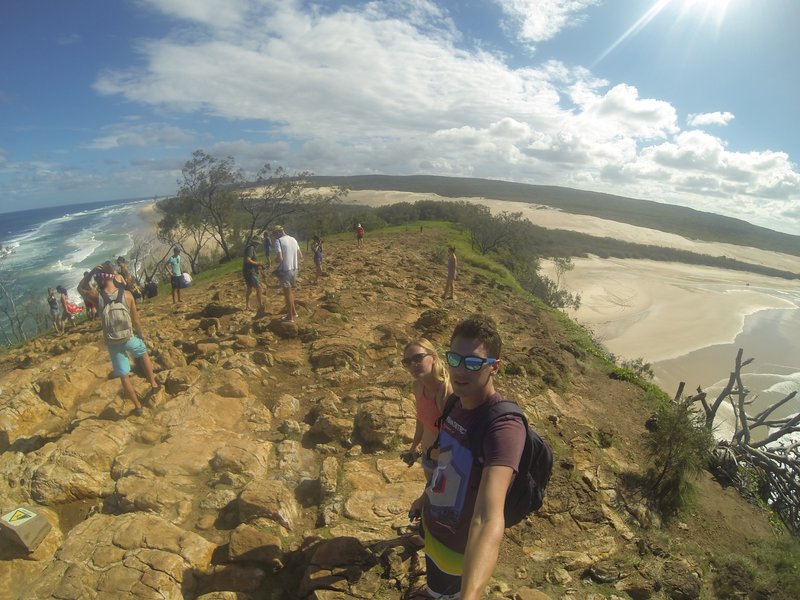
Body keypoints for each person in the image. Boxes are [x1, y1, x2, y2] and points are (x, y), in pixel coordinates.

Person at [408, 314, 526, 600]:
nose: (461, 370)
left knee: (446, 590)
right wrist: (426, 497)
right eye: (455, 359)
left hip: (459, 548)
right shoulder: (453, 403)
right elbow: (445, 463)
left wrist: (470, 596)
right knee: (435, 585)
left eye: (473, 363)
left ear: (494, 368)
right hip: (435, 525)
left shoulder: (503, 427)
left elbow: (487, 518)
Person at [78, 264, 161, 416]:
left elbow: (80, 288)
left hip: (113, 342)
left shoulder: (98, 297)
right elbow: (136, 320)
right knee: (142, 353)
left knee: (124, 375)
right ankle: (154, 384)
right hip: (128, 337)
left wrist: (91, 272)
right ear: (113, 276)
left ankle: (137, 407)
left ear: (99, 279)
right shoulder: (127, 295)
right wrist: (140, 335)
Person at [401, 339, 451, 480]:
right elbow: (421, 420)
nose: (413, 364)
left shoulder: (446, 391)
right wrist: (414, 447)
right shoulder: (418, 386)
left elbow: (456, 435)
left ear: (433, 358)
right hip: (428, 457)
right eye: (407, 362)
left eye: (418, 358)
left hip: (447, 462)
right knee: (431, 497)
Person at [273, 225, 302, 322]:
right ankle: (294, 312)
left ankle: (289, 317)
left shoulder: (278, 241)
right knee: (290, 292)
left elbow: (279, 258)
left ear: (278, 232)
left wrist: (275, 261)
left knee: (286, 294)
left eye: (274, 234)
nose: (274, 236)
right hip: (294, 269)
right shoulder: (293, 239)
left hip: (285, 270)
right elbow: (300, 255)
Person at [243, 236, 264, 312]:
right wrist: (258, 263)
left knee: (249, 289)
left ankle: (247, 305)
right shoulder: (251, 248)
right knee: (259, 288)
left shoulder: (251, 248)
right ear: (255, 242)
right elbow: (248, 260)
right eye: (257, 243)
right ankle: (260, 305)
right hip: (250, 272)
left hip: (248, 271)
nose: (258, 245)